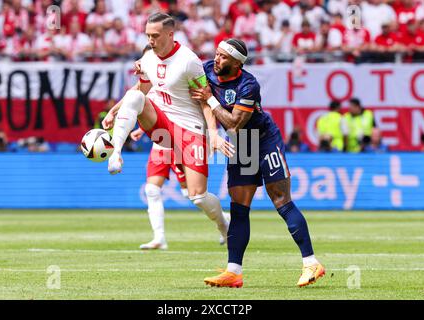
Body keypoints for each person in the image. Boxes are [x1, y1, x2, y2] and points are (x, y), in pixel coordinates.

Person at [189, 38, 325, 288]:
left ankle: (311, 262)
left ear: (237, 62)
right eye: (217, 54)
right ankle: (234, 272)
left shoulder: (248, 85)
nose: (216, 59)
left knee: (281, 201)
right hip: (241, 145)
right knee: (239, 207)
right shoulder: (207, 70)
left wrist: (210, 99)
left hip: (262, 140)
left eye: (223, 57)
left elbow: (233, 123)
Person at [101, 13, 234, 247]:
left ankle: (224, 225)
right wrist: (114, 110)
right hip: (161, 124)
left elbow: (205, 100)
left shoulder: (188, 61)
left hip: (190, 130)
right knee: (134, 96)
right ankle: (116, 153)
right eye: (147, 36)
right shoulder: (148, 59)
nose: (150, 40)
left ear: (170, 35)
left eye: (155, 36)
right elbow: (140, 91)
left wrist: (213, 133)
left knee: (197, 196)